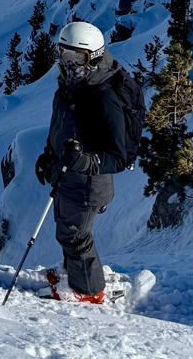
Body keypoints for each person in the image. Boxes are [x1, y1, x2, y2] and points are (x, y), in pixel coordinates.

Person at [33, 22, 136, 304]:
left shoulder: (104, 97)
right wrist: (48, 156)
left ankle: (88, 290)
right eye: (63, 53)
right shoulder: (70, 87)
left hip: (89, 183)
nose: (67, 63)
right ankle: (72, 272)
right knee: (65, 228)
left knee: (76, 236)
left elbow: (120, 156)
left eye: (75, 57)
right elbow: (60, 127)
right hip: (67, 176)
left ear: (93, 56)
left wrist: (84, 161)